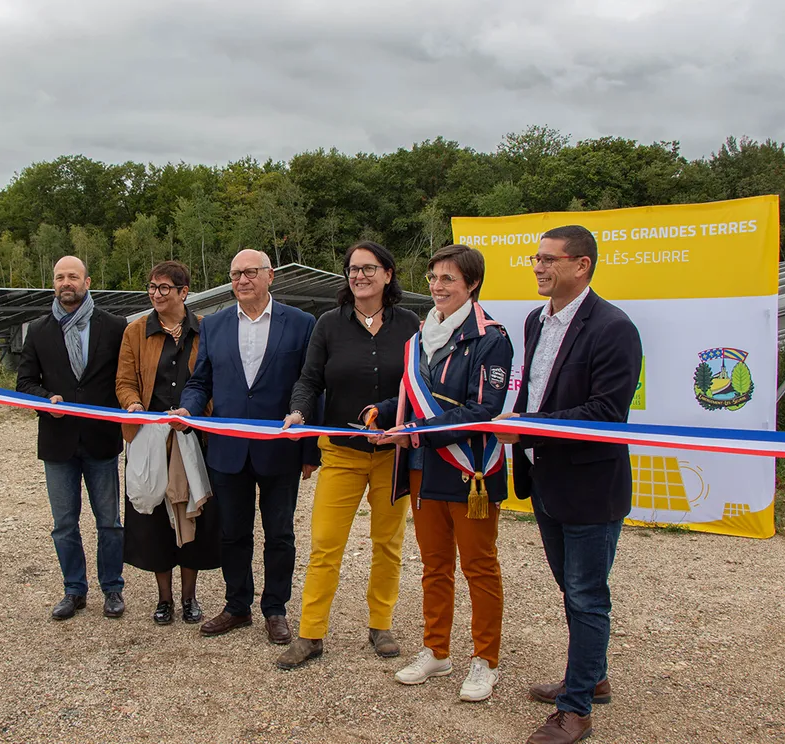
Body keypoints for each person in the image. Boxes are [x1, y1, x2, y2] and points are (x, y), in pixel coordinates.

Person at [494, 225, 642, 744]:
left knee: (585, 594)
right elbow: (541, 391)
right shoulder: (536, 321)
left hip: (590, 485)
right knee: (571, 588)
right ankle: (591, 675)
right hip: (547, 479)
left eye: (548, 259)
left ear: (581, 265)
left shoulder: (613, 327)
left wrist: (526, 427)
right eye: (535, 258)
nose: (537, 266)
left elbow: (606, 412)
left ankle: (575, 708)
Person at [371, 244, 513, 703]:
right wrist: (386, 411)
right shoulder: (418, 337)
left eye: (448, 279)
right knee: (434, 565)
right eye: (433, 278)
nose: (437, 287)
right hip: (421, 467)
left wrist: (412, 431)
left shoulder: (492, 337)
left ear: (472, 284)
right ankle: (437, 649)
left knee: (478, 566)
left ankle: (485, 660)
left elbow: (484, 409)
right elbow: (416, 396)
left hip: (468, 468)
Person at [274, 241, 420, 670]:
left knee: (388, 544)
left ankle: (381, 624)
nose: (359, 276)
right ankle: (311, 634)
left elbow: (416, 384)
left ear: (388, 275)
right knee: (325, 545)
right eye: (353, 269)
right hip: (340, 453)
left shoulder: (410, 323)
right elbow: (309, 379)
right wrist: (298, 412)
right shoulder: (328, 324)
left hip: (392, 454)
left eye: (369, 268)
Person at [170, 249, 318, 645]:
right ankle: (237, 605)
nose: (242, 280)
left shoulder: (302, 324)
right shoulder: (213, 325)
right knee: (232, 533)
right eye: (235, 274)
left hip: (280, 449)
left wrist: (309, 451)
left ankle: (275, 609)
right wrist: (188, 408)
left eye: (250, 272)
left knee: (280, 534)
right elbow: (201, 381)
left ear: (271, 276)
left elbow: (311, 385)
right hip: (228, 450)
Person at [17, 256, 128, 621]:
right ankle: (74, 590)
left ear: (87, 281)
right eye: (60, 277)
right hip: (58, 441)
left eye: (73, 276)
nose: (67, 282)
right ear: (53, 283)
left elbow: (123, 379)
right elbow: (25, 383)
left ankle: (112, 588)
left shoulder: (114, 327)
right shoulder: (38, 330)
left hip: (101, 441)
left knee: (108, 521)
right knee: (64, 523)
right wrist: (44, 401)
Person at [115, 260, 220, 626]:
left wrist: (194, 414)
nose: (156, 294)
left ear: (183, 292)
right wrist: (134, 405)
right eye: (152, 287)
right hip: (149, 438)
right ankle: (164, 599)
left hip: (193, 437)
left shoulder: (206, 330)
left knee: (193, 514)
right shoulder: (134, 332)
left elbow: (211, 379)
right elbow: (124, 380)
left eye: (164, 288)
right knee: (154, 518)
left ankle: (190, 597)